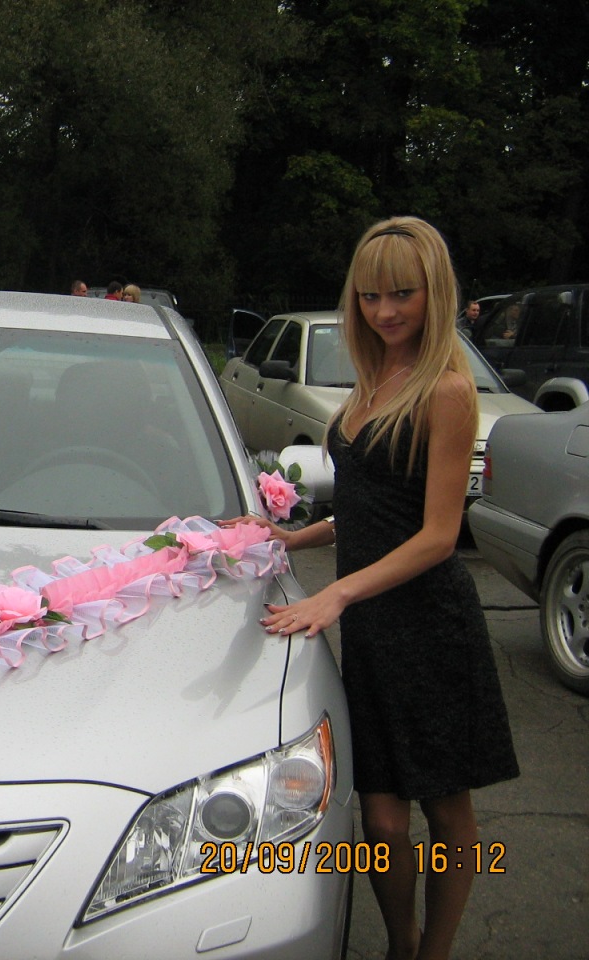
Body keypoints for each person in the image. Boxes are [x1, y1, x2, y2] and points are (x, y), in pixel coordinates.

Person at [224, 216, 518, 960]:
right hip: (374, 631)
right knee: (383, 821)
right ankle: (402, 942)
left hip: (430, 625)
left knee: (447, 815)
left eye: (402, 295)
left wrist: (337, 594)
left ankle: (431, 953)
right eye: (370, 296)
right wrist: (291, 536)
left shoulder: (446, 391)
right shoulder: (368, 382)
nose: (385, 311)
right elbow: (368, 508)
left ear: (434, 294)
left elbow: (438, 535)